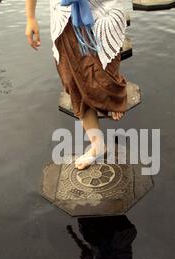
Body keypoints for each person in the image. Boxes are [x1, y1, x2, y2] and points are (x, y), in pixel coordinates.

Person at [25, 0, 128, 170]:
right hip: (64, 18)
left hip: (102, 11)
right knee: (73, 83)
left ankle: (113, 95)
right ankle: (97, 144)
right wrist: (30, 17)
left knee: (103, 76)